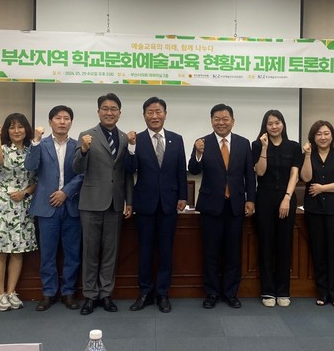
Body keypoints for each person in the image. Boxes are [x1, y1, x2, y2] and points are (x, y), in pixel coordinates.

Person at [188, 103, 256, 309]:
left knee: (233, 252)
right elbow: (193, 169)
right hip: (211, 207)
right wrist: (198, 153)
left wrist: (250, 199)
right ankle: (211, 293)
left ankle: (230, 292)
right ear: (211, 121)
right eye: (217, 119)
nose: (221, 122)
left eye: (225, 119)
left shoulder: (243, 143)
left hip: (235, 206)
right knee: (210, 252)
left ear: (233, 121)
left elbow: (249, 175)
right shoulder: (203, 142)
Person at [125, 97, 188, 313]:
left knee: (165, 251)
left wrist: (183, 196)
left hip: (169, 204)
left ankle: (162, 293)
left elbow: (181, 170)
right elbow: (129, 169)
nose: (154, 116)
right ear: (144, 115)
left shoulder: (176, 139)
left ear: (165, 114)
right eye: (150, 112)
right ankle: (145, 292)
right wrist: (131, 147)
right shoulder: (137, 140)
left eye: (158, 112)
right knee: (145, 250)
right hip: (145, 204)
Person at [74, 93, 134, 315]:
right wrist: (83, 150)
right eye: (105, 109)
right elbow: (77, 168)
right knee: (90, 252)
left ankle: (106, 294)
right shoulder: (86, 136)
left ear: (120, 113)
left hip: (115, 204)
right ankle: (90, 295)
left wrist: (129, 201)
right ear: (98, 111)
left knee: (111, 252)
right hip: (91, 203)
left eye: (114, 109)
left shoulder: (125, 138)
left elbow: (127, 174)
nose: (110, 112)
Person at [24, 105, 84, 312]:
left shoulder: (78, 146)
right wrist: (35, 141)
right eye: (58, 118)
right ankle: (48, 293)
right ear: (50, 122)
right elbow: (30, 166)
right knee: (48, 253)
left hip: (71, 205)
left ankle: (69, 292)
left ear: (71, 122)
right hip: (47, 206)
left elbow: (82, 173)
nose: (62, 122)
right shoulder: (40, 144)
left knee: (72, 252)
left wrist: (65, 192)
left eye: (66, 118)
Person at [0, 113, 38, 311]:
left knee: (17, 252)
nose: (16, 131)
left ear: (26, 129)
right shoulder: (2, 147)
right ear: (7, 130)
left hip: (23, 205)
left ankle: (11, 291)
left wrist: (25, 193)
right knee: (0, 252)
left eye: (20, 127)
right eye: (12, 127)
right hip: (2, 205)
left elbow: (36, 181)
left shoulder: (32, 150)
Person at [300, 120, 334, 307]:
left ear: (332, 136)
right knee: (319, 252)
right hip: (314, 210)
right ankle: (323, 293)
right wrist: (308, 155)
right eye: (318, 134)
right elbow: (306, 177)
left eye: (326, 133)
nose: (323, 137)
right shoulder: (308, 155)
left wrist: (323, 188)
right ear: (313, 137)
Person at [251, 110, 302, 308]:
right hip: (264, 197)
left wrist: (287, 198)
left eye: (277, 122)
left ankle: (283, 290)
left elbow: (295, 174)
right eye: (270, 123)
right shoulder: (257, 145)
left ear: (283, 124)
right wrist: (264, 148)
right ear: (265, 126)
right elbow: (260, 172)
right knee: (265, 244)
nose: (274, 126)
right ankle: (268, 291)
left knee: (284, 244)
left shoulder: (294, 146)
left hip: (286, 198)